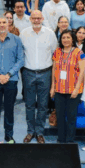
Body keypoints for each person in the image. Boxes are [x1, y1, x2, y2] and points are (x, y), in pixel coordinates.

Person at [20, 11, 58, 144]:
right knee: (29, 105)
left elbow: (55, 55)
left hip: (46, 72)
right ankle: (30, 132)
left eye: (38, 18)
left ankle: (40, 132)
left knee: (43, 105)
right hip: (28, 72)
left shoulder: (50, 33)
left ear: (42, 18)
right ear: (30, 19)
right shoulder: (23, 33)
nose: (36, 20)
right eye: (34, 18)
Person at [0, 17, 25, 144]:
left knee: (9, 108)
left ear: (8, 24)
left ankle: (9, 135)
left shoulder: (16, 40)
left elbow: (20, 60)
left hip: (11, 80)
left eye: (4, 22)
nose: (2, 25)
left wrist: (8, 75)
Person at [49, 30, 85, 144]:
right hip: (59, 89)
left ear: (73, 39)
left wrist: (77, 88)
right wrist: (52, 87)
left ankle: (70, 140)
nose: (65, 40)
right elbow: (54, 70)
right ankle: (61, 139)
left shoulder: (79, 52)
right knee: (59, 116)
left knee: (71, 116)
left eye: (68, 37)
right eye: (63, 38)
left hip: (73, 90)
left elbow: (82, 71)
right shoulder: (57, 52)